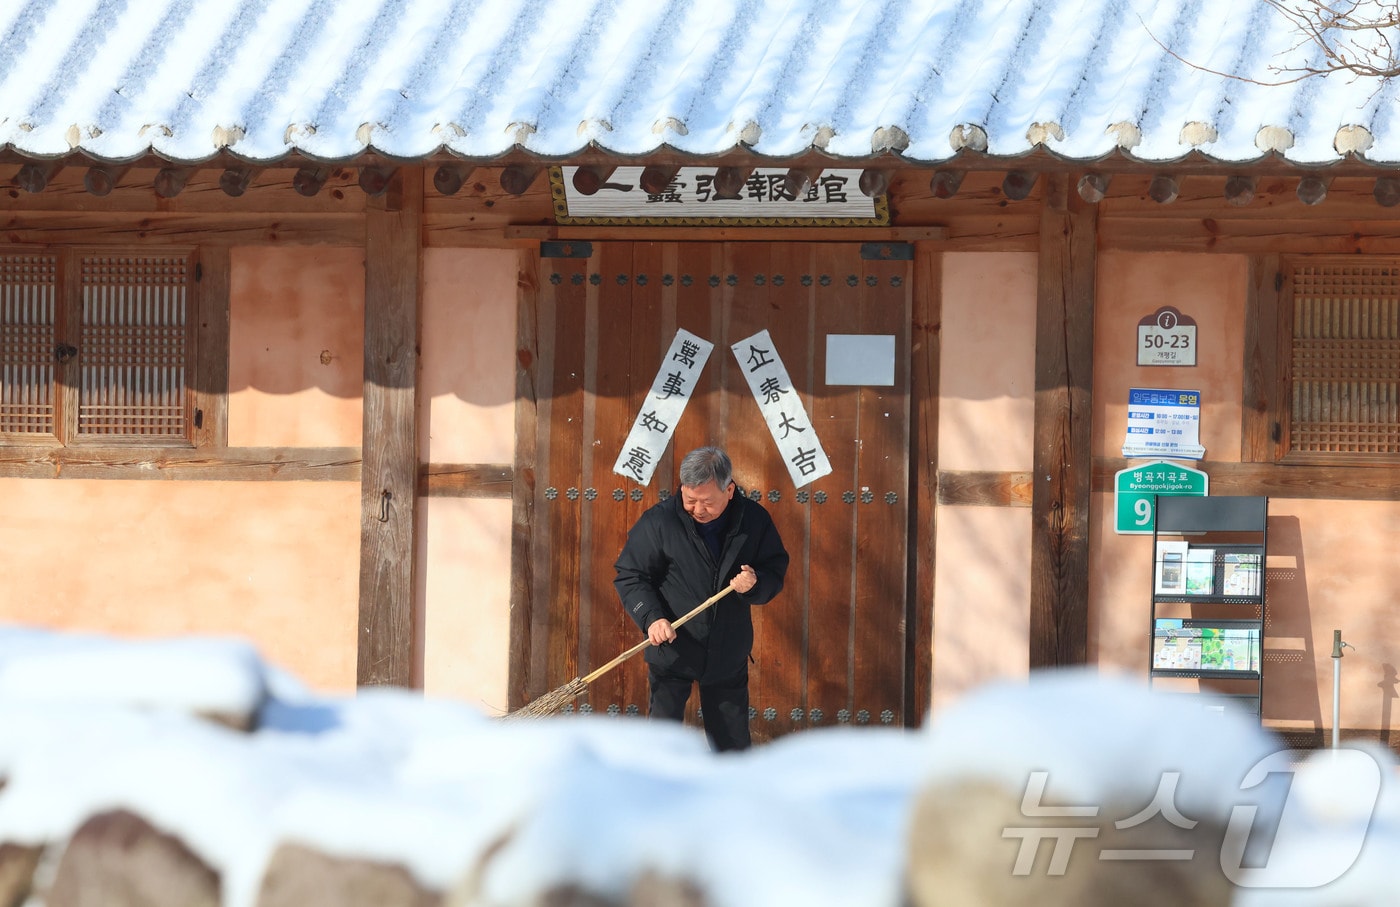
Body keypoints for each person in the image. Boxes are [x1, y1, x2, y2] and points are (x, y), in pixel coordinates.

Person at [614, 446, 789, 751]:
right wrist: (652, 617)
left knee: (731, 746)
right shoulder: (660, 522)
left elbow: (774, 570)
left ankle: (731, 796)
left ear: (730, 490)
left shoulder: (754, 521)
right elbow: (631, 575)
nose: (697, 509)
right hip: (671, 646)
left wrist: (755, 584)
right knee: (661, 743)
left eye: (707, 502)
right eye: (689, 499)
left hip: (727, 651)